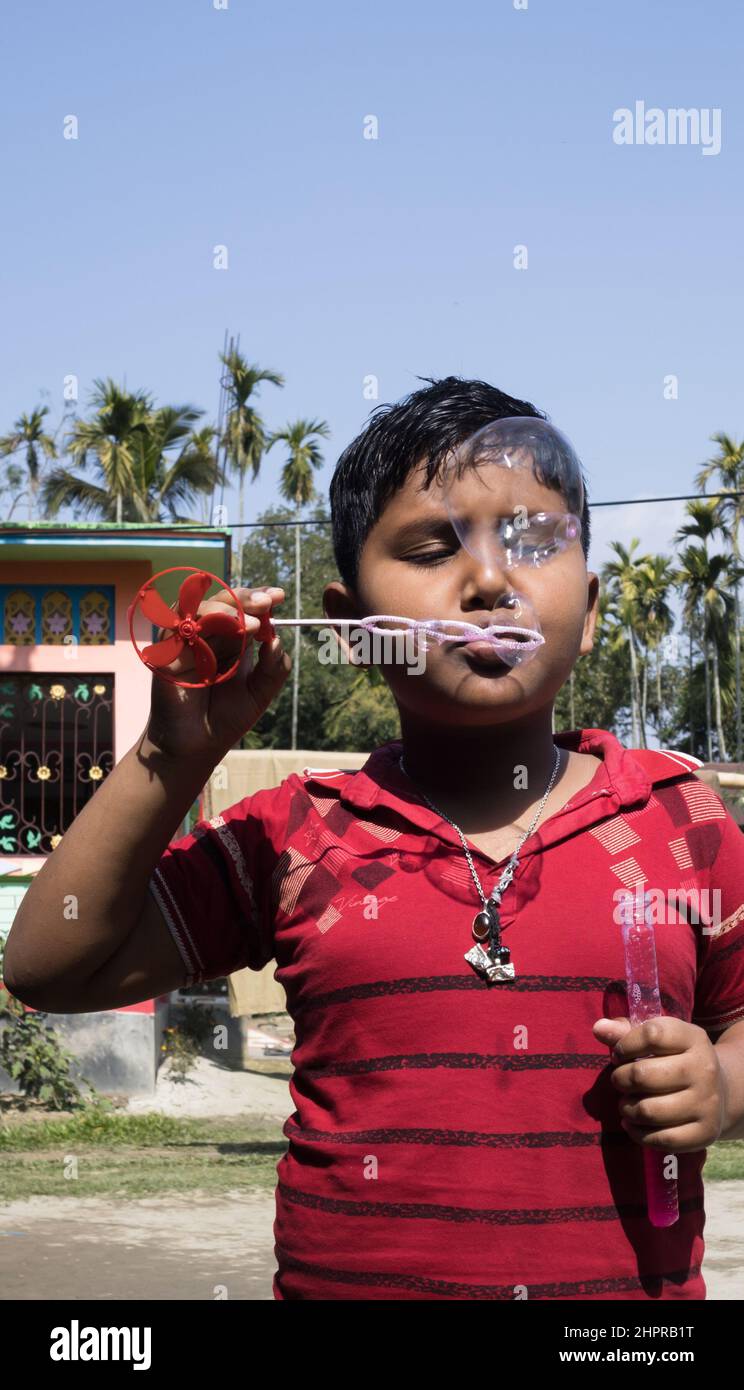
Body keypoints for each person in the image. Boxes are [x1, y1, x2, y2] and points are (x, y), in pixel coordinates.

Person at [6, 375, 744, 1302]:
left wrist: (720, 1083)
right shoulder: (295, 836)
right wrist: (170, 753)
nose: (487, 580)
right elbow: (48, 967)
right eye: (435, 546)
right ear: (354, 630)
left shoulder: (683, 819)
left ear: (591, 609)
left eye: (529, 540)